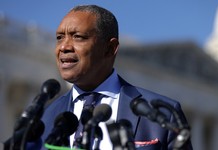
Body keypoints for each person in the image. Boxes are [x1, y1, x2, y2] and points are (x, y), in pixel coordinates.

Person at [28, 4, 193, 150]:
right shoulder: (43, 119)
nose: (63, 46)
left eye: (78, 37)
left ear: (110, 48)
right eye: (59, 38)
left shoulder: (162, 115)